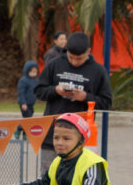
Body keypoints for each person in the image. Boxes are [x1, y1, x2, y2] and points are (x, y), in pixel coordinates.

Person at [34, 31, 111, 169]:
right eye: (71, 57)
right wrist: (56, 90)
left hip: (80, 140)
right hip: (52, 137)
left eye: (79, 58)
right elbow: (39, 91)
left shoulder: (98, 71)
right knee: (47, 182)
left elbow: (106, 102)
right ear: (66, 51)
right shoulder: (54, 64)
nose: (75, 62)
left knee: (77, 184)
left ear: (88, 51)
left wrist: (86, 97)